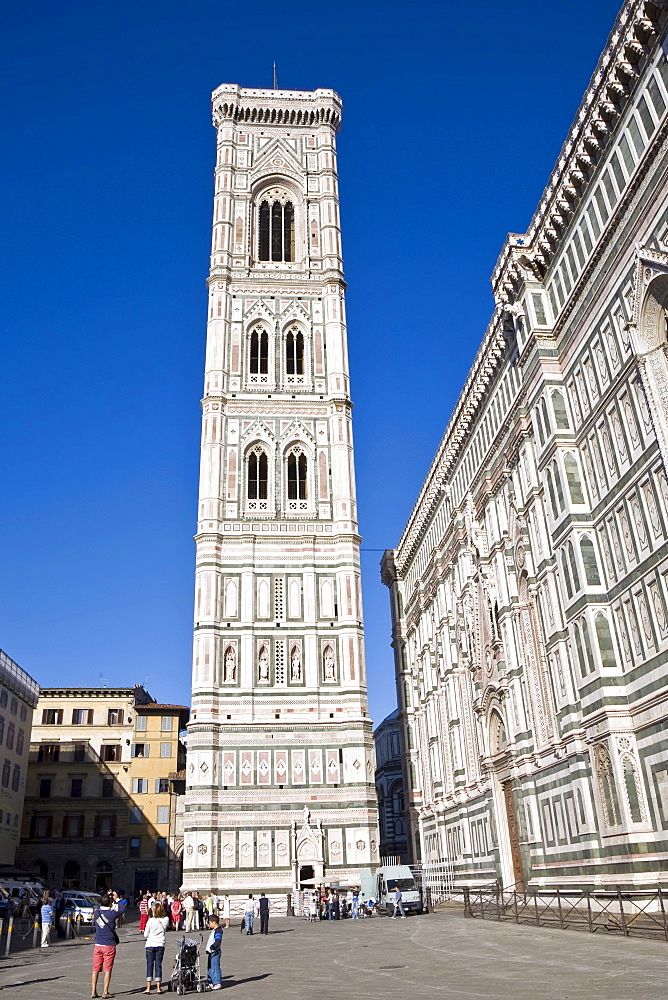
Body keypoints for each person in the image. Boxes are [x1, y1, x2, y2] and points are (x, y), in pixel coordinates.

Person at [91, 891, 126, 999]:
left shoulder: (96, 913)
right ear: (110, 903)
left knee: (95, 969)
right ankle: (105, 991)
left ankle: (93, 991)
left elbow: (98, 906)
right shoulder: (112, 914)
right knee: (107, 969)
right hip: (109, 944)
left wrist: (106, 897)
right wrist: (117, 899)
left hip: (98, 944)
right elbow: (122, 909)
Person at [143, 902, 169, 994]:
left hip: (150, 944)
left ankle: (148, 988)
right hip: (160, 944)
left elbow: (145, 934)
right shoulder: (166, 919)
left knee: (149, 965)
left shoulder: (150, 921)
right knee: (158, 965)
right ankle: (158, 987)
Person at [205, 914, 223, 991]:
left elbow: (218, 940)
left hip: (215, 952)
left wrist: (213, 946)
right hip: (211, 952)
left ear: (214, 922)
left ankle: (217, 982)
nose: (209, 924)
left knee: (215, 967)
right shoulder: (214, 930)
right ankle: (210, 982)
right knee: (210, 967)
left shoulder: (218, 931)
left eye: (210, 923)